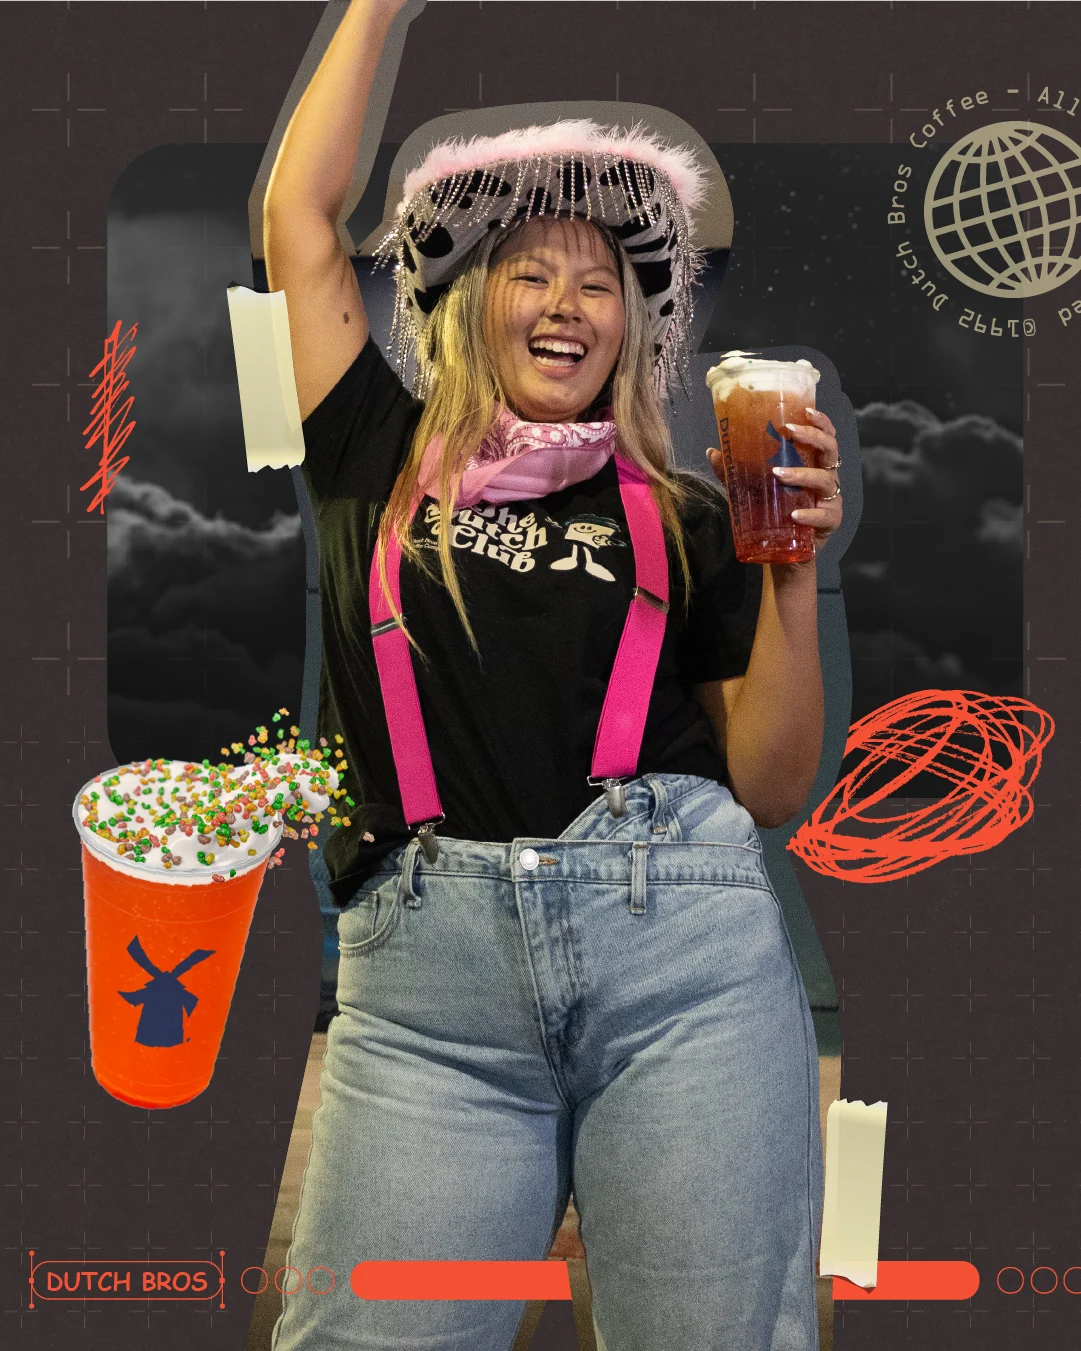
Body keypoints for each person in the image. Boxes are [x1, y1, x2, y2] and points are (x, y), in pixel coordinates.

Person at [263, 2, 843, 1347]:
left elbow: (769, 787)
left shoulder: (689, 517)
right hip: (430, 1005)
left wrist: (791, 575)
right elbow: (299, 215)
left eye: (600, 284)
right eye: (532, 272)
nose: (569, 304)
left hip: (685, 973)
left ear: (630, 326)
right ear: (474, 300)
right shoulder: (367, 447)